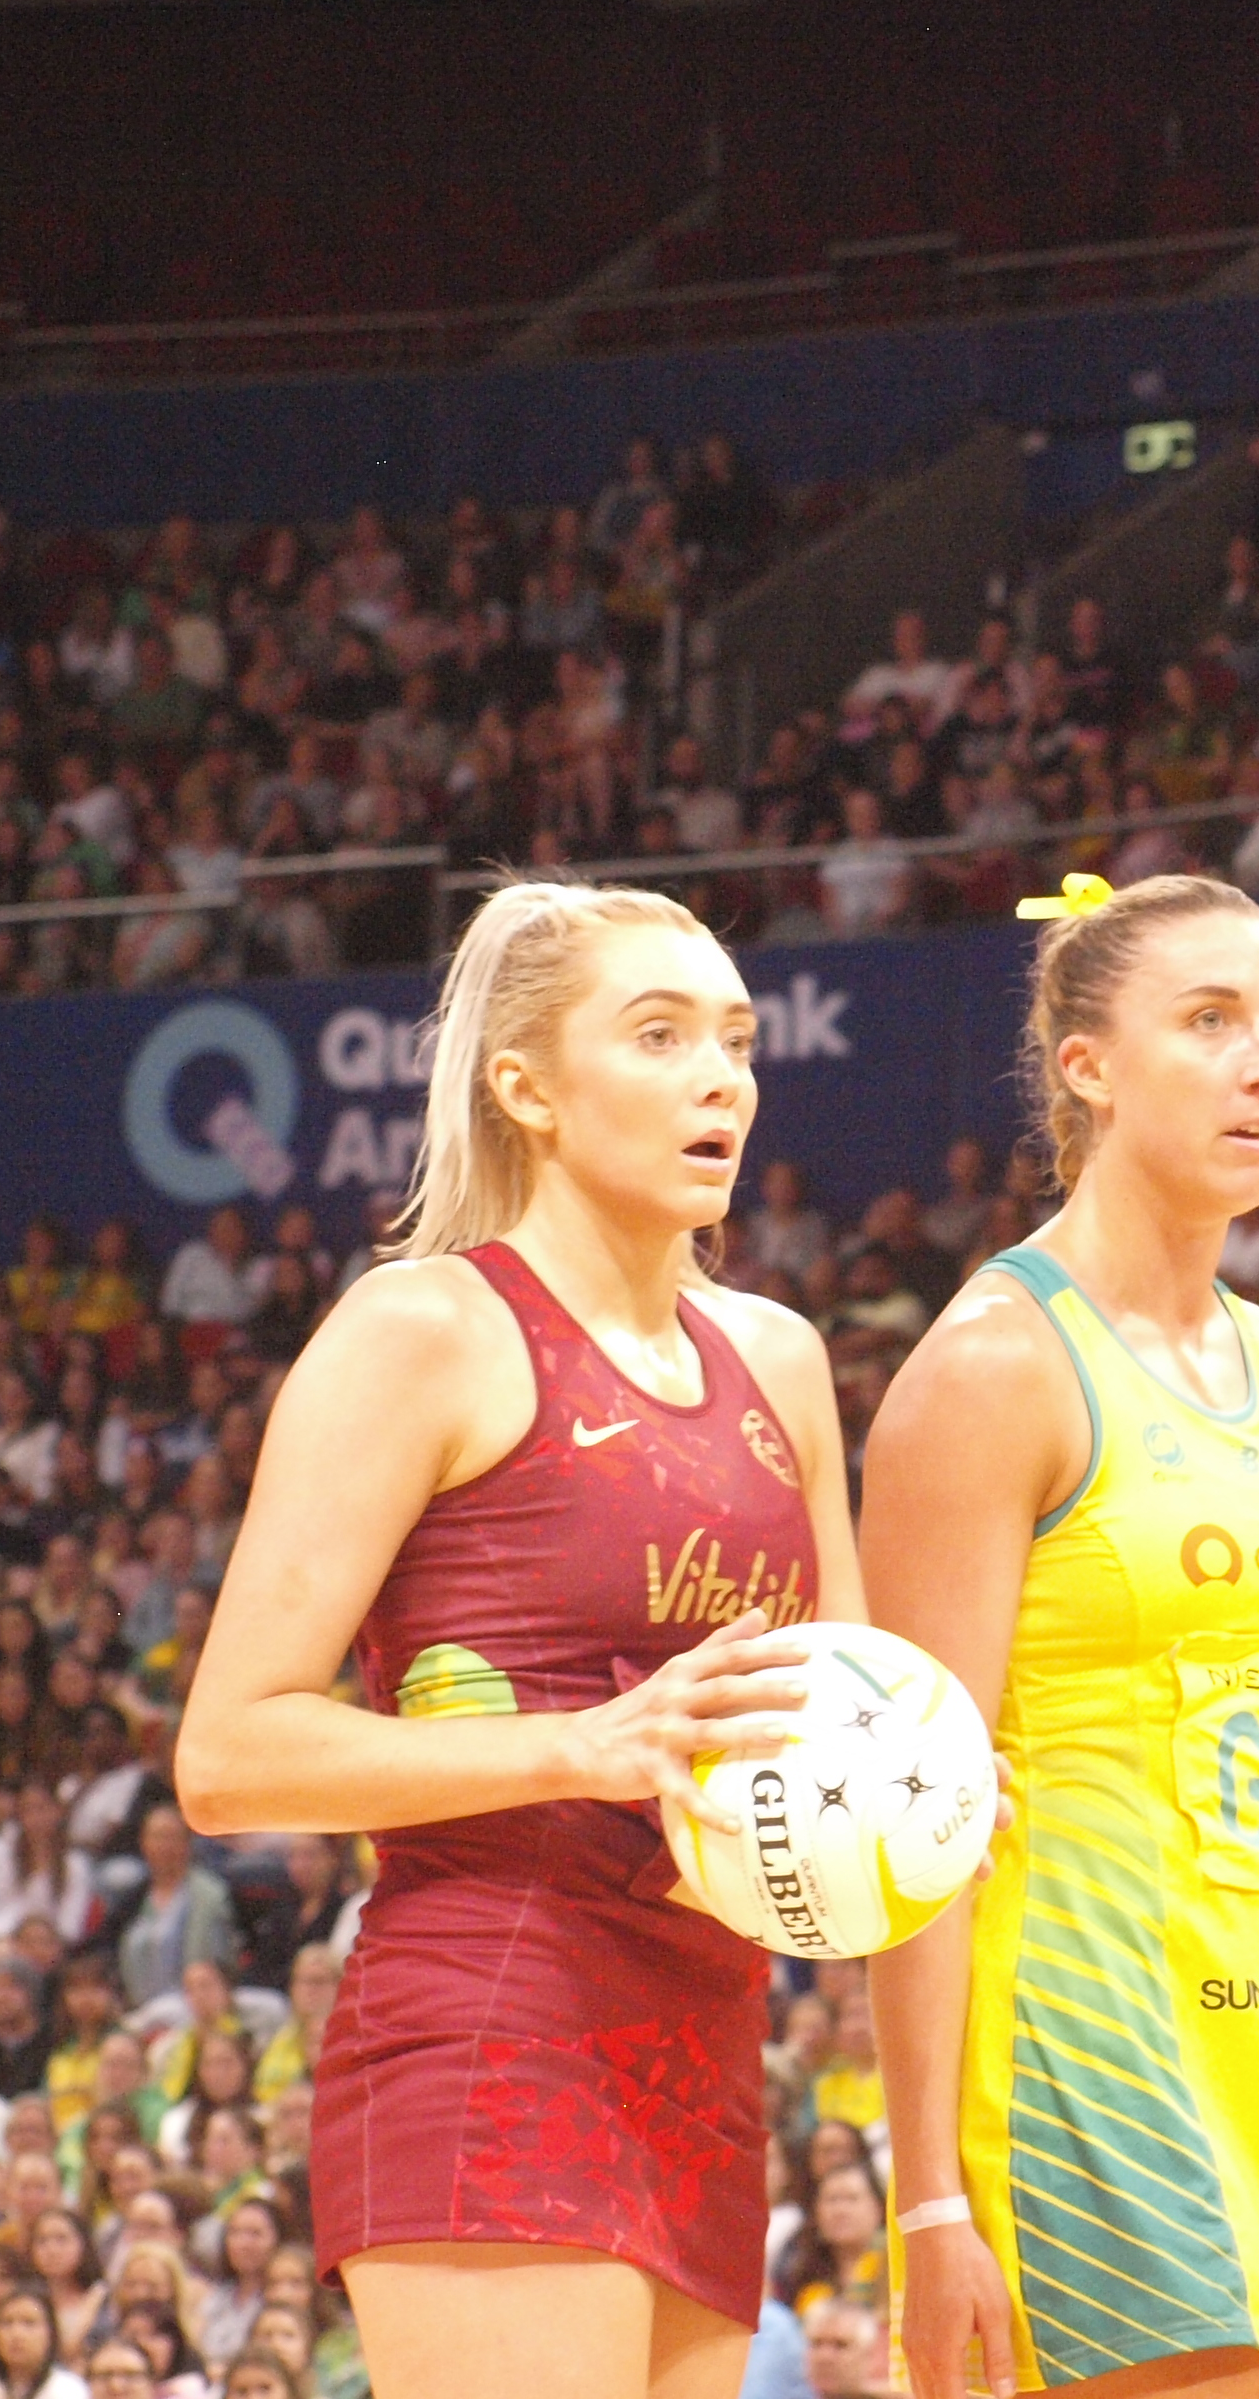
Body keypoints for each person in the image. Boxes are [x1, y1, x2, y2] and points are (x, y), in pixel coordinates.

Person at [174, 880, 855, 2399]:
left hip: (707, 2047)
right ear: (527, 1086)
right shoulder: (422, 1331)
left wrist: (922, 1798)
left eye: (736, 1041)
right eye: (660, 1035)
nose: (719, 1079)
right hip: (493, 2026)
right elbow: (226, 1758)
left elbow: (838, 1715)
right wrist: (583, 1746)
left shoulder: (782, 1359)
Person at [863, 871, 1259, 2399]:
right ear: (1088, 1067)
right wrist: (925, 2192)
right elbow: (909, 1814)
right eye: (1210, 1022)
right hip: (1091, 2040)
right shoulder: (993, 1368)